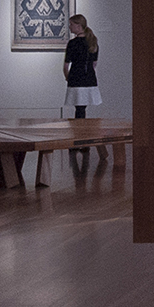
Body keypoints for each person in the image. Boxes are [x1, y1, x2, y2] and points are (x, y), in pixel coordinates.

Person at [60, 12, 103, 181]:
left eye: (71, 24)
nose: (70, 27)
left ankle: (79, 141)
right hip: (89, 79)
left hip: (77, 79)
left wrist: (67, 77)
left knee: (79, 110)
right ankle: (83, 141)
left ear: (78, 26)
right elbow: (94, 63)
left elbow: (65, 65)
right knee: (82, 109)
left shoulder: (73, 43)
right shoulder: (93, 41)